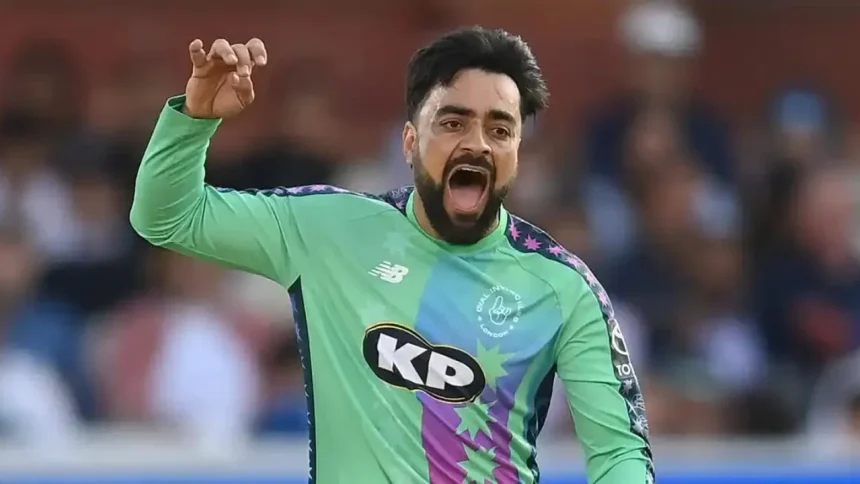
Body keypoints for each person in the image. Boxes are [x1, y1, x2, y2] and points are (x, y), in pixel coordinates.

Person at [131, 28, 654, 484]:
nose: (477, 144)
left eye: (500, 130)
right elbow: (166, 218)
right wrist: (193, 120)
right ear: (409, 142)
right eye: (453, 123)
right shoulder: (328, 229)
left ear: (517, 154)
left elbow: (619, 452)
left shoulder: (563, 287)